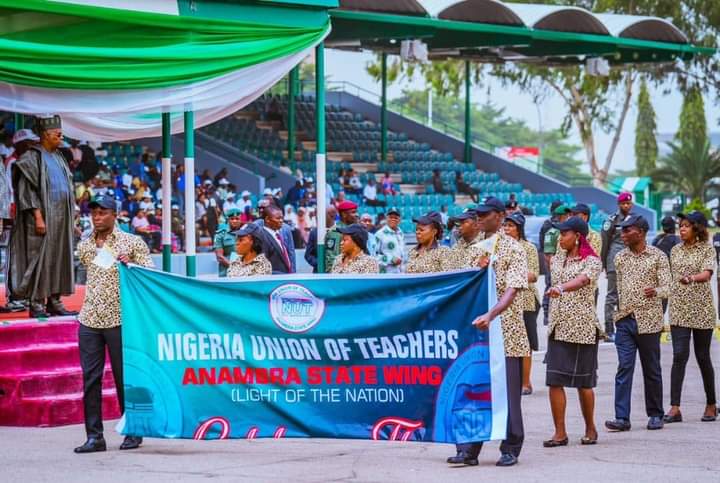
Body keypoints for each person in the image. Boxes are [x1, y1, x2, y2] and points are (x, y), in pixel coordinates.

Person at [449, 197, 529, 468]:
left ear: (500, 215)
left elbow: (513, 288)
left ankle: (511, 446)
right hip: (478, 332)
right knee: (474, 389)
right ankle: (470, 448)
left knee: (507, 393)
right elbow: (465, 285)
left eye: (485, 214)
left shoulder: (514, 248)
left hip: (506, 330)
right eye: (478, 214)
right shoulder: (477, 249)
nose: (479, 218)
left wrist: (491, 314)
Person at [73, 195, 153, 453]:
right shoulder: (85, 245)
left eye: (102, 212)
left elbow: (148, 275)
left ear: (114, 214)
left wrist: (132, 265)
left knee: (124, 378)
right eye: (93, 212)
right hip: (89, 319)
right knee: (91, 379)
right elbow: (90, 270)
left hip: (120, 319)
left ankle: (133, 430)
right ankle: (94, 436)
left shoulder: (131, 242)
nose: (97, 217)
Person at [605, 214, 670, 432]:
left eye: (627, 230)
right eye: (621, 230)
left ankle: (655, 414)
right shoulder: (620, 257)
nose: (622, 234)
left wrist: (657, 291)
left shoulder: (658, 256)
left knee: (651, 369)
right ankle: (622, 418)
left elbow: (669, 287)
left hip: (649, 321)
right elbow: (617, 289)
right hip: (624, 320)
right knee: (624, 367)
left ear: (640, 232)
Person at [8, 115, 76, 318]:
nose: (61, 135)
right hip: (42, 218)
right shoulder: (31, 157)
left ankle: (54, 301)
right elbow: (25, 191)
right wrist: (38, 217)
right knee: (40, 259)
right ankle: (37, 303)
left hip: (61, 218)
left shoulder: (58, 157)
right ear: (45, 134)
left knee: (59, 258)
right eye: (57, 133)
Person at [544, 216, 602, 447]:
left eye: (565, 234)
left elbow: (582, 280)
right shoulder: (558, 258)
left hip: (582, 327)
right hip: (558, 326)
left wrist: (561, 287)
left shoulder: (592, 261)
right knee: (554, 380)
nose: (560, 238)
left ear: (577, 236)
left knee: (583, 383)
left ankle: (590, 427)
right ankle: (560, 432)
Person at [664, 211, 717, 423]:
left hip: (702, 310)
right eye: (680, 225)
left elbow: (707, 274)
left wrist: (691, 278)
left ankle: (711, 404)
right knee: (679, 356)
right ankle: (675, 408)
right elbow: (670, 277)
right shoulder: (675, 250)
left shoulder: (707, 249)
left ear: (697, 228)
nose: (681, 229)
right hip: (679, 310)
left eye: (686, 225)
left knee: (703, 357)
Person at [503, 212, 540, 396]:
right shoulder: (499, 247)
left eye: (511, 226)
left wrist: (512, 275)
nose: (507, 229)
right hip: (504, 300)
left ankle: (526, 382)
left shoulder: (529, 248)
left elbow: (533, 274)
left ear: (519, 229)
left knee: (526, 343)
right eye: (505, 225)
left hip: (526, 299)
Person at [600, 192, 635, 342]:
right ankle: (609, 329)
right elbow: (605, 242)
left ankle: (623, 327)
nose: (626, 206)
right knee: (612, 295)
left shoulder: (634, 220)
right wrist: (604, 264)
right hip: (614, 259)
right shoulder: (612, 220)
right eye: (623, 204)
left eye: (628, 203)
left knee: (626, 294)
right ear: (619, 205)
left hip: (630, 261)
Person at [538, 200, 564, 326]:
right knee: (549, 285)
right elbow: (544, 245)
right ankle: (546, 313)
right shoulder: (548, 225)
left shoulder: (563, 224)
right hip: (549, 257)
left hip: (560, 259)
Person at [256, 204, 295, 274]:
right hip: (274, 281)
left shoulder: (277, 234)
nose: (281, 221)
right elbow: (263, 267)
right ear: (267, 219)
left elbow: (290, 255)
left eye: (282, 218)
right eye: (278, 218)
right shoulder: (262, 237)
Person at [324, 200, 358, 270]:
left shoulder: (354, 230)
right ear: (344, 214)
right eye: (353, 212)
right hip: (342, 275)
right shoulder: (335, 232)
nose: (357, 215)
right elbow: (331, 259)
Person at [305, 206, 336, 273]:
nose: (316, 217)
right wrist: (319, 264)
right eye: (316, 214)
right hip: (318, 273)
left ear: (332, 215)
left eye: (320, 214)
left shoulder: (341, 231)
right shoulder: (314, 232)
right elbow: (308, 255)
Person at [213, 209, 243, 277]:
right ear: (228, 220)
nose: (234, 221)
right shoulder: (220, 234)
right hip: (226, 273)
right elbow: (219, 257)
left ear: (240, 220)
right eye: (232, 219)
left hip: (243, 273)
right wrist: (235, 267)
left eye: (237, 219)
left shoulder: (245, 233)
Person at [375, 208, 405, 273]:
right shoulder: (379, 234)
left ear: (400, 220)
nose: (393, 219)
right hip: (386, 274)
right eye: (391, 217)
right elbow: (373, 256)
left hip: (400, 273)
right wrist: (390, 259)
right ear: (386, 218)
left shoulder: (401, 233)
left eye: (396, 217)